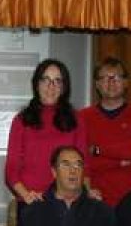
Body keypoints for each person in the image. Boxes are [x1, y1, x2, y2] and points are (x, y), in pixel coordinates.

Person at [5, 59, 90, 207]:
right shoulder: (21, 120)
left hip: (67, 203)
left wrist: (86, 195)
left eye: (57, 81)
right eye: (46, 80)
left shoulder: (76, 120)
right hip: (31, 201)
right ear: (37, 84)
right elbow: (11, 169)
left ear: (64, 87)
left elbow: (84, 165)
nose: (51, 86)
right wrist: (26, 195)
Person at [77, 57, 131, 207]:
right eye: (104, 78)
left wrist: (97, 150)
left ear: (126, 83)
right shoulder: (83, 117)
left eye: (116, 77)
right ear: (97, 84)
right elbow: (83, 159)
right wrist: (120, 161)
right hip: (95, 198)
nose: (111, 83)